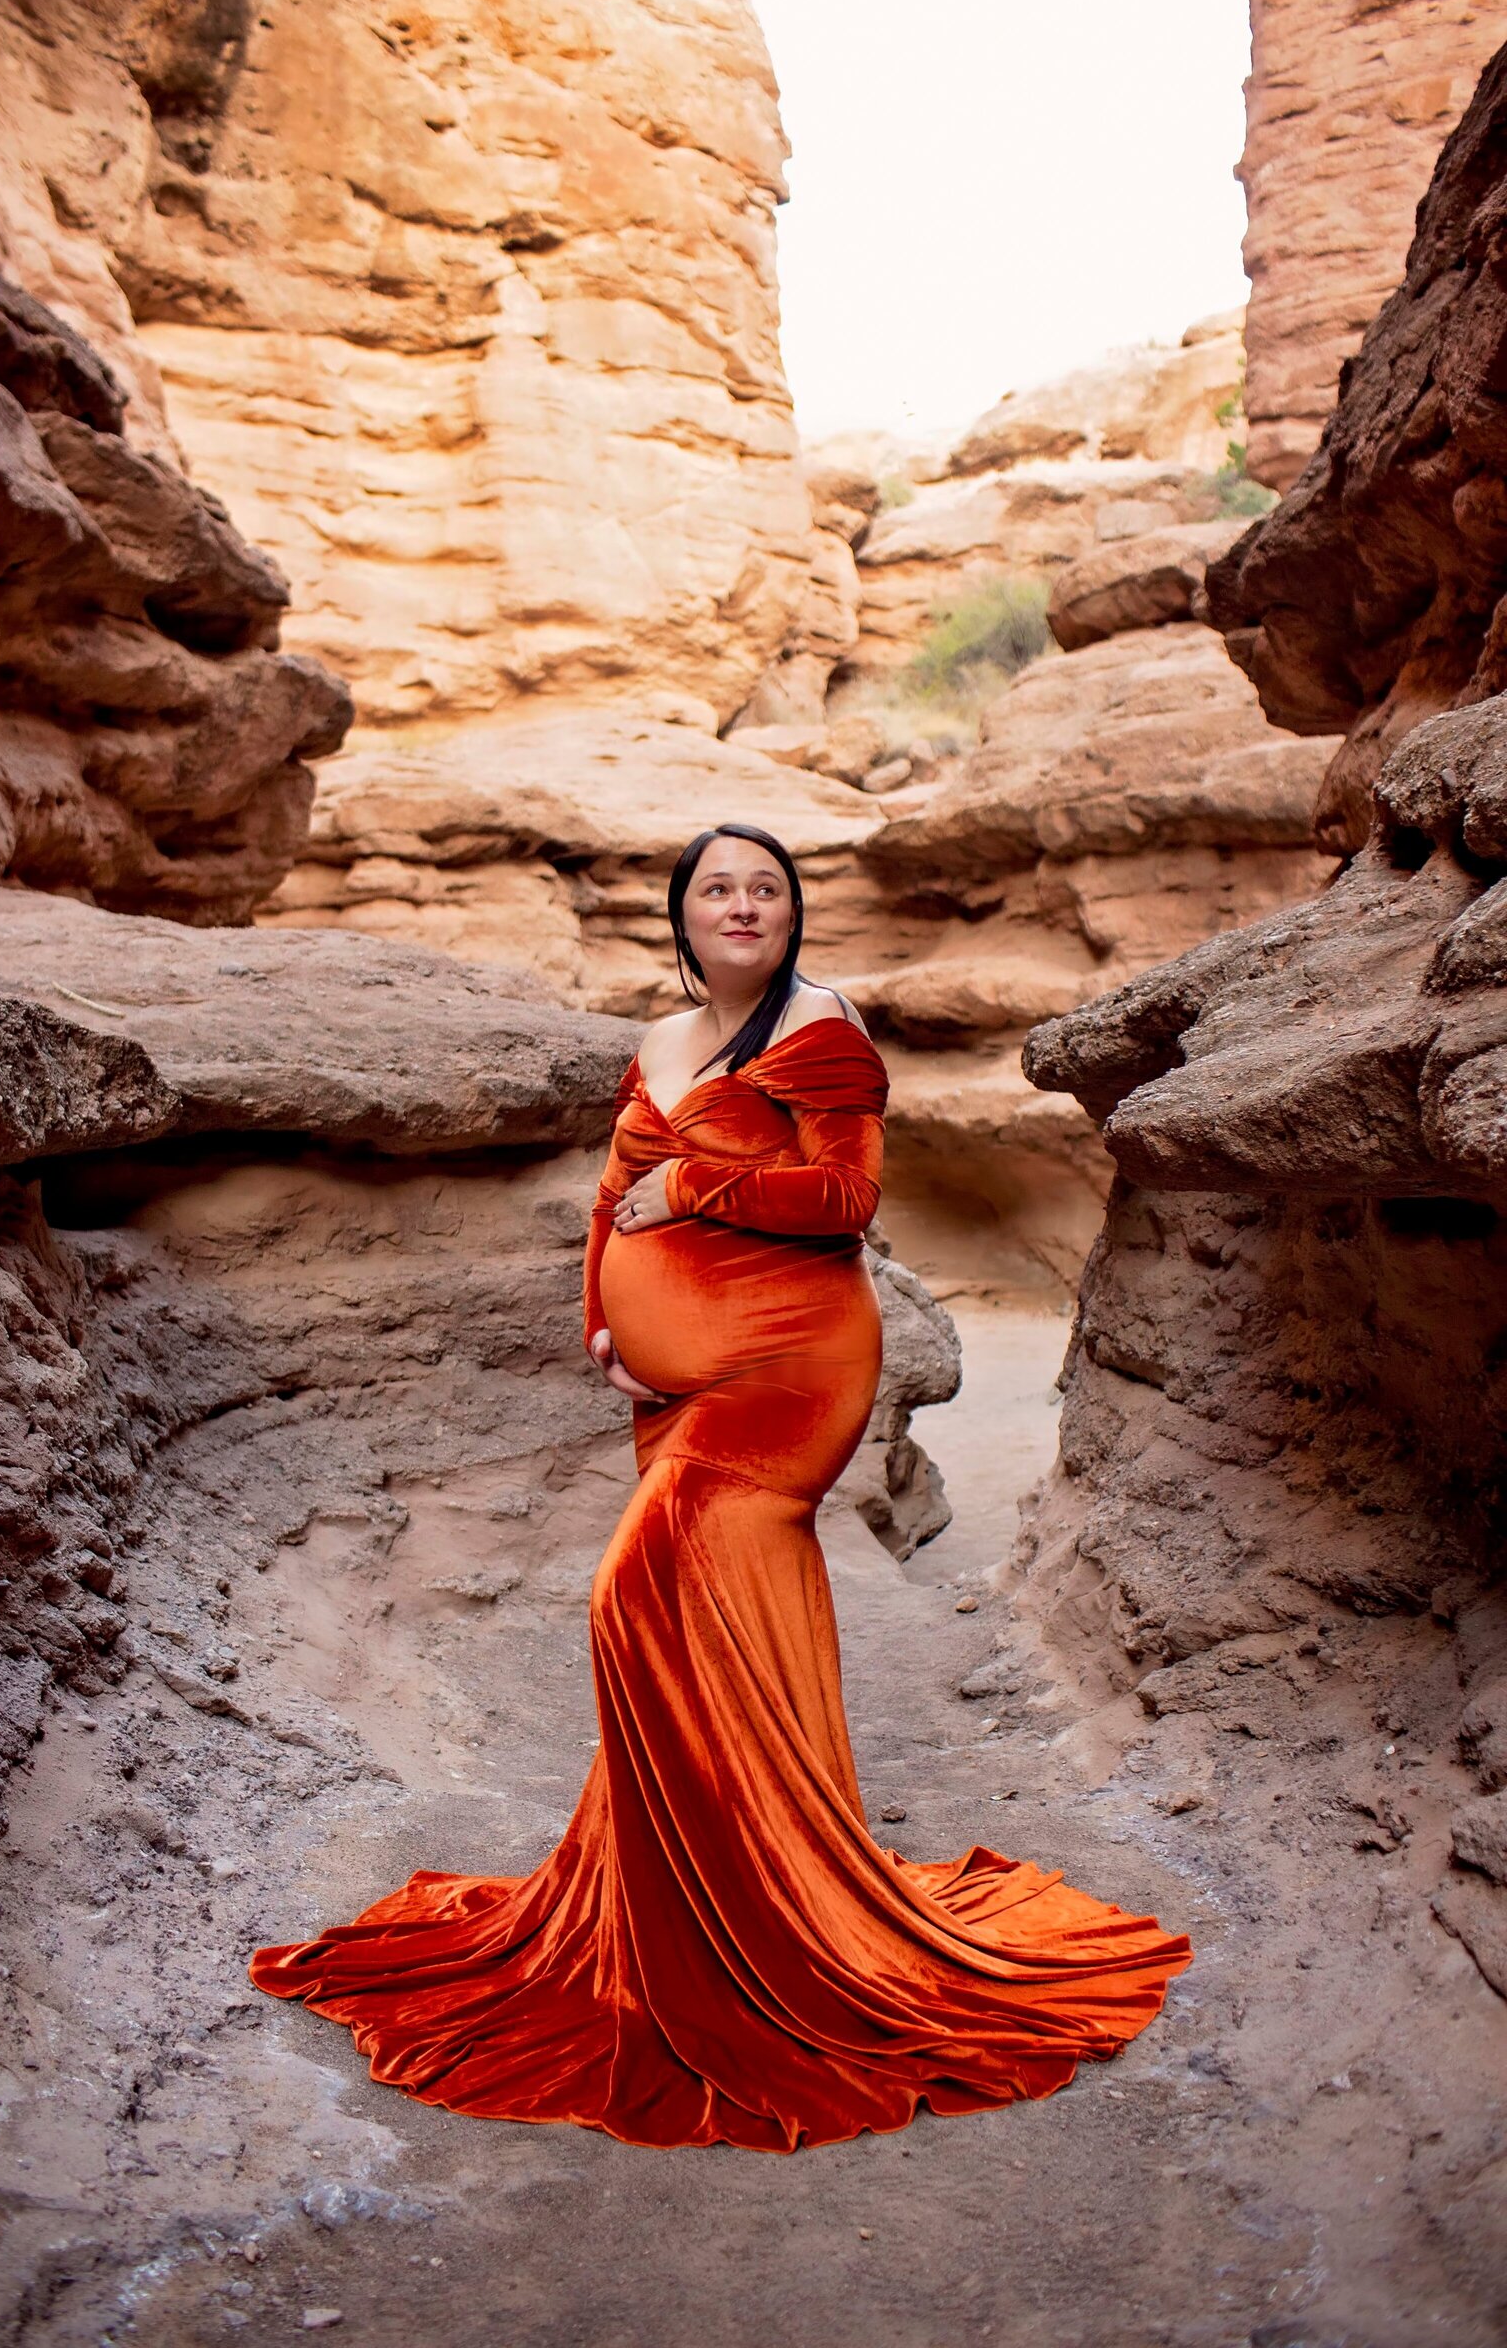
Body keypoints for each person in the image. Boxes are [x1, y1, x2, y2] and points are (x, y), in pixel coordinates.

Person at [250, 822, 1191, 2150]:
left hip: (792, 1369)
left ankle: (764, 1928)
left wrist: (697, 1178)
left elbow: (843, 1195)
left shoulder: (821, 1029)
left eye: (764, 889)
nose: (741, 907)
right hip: (680, 1383)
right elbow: (611, 1196)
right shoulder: (661, 1041)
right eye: (716, 891)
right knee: (710, 1626)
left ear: (790, 913)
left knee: (635, 1597)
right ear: (681, 919)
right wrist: (606, 1328)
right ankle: (707, 1895)